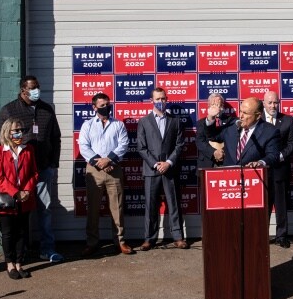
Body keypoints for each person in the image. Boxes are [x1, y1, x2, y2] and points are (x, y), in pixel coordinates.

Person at [0, 75, 63, 262]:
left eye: (38, 87)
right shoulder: (9, 110)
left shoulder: (46, 109)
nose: (36, 91)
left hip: (42, 169)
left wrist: (53, 163)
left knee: (45, 209)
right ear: (23, 90)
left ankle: (47, 249)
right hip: (18, 172)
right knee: (19, 213)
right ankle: (20, 253)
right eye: (32, 88)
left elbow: (56, 137)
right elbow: (0, 141)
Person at [78, 93, 133, 256]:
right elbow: (84, 147)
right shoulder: (87, 125)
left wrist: (109, 160)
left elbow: (123, 145)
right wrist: (100, 163)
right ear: (94, 107)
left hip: (114, 170)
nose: (106, 107)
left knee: (117, 208)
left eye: (107, 104)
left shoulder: (118, 125)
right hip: (94, 172)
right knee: (93, 209)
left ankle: (120, 242)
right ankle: (92, 243)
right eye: (102, 105)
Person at [137, 88, 187, 250]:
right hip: (151, 170)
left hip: (170, 169)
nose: (161, 101)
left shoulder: (175, 121)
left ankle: (178, 237)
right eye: (158, 98)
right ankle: (149, 238)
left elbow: (179, 145)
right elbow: (141, 148)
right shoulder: (144, 122)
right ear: (152, 100)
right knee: (151, 205)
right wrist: (156, 164)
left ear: (167, 99)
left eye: (164, 98)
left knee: (174, 204)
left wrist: (168, 163)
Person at [0, 118, 38, 279]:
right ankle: (9, 263)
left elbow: (34, 173)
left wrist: (26, 190)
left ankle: (19, 263)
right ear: (7, 132)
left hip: (25, 198)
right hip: (7, 199)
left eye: (22, 130)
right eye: (16, 130)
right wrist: (16, 192)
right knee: (8, 233)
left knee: (22, 232)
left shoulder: (29, 149)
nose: (20, 133)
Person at [262, 91, 293, 248]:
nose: (273, 105)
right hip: (262, 171)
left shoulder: (288, 121)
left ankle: (282, 235)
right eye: (270, 102)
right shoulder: (257, 121)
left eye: (275, 102)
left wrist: (280, 156)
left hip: (280, 169)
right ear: (263, 103)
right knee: (262, 206)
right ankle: (262, 235)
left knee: (281, 205)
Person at [196, 93, 236, 169]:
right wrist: (214, 152)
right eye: (213, 105)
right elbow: (200, 142)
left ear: (223, 106)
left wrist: (222, 153)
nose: (216, 108)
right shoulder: (201, 123)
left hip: (226, 162)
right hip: (207, 162)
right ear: (208, 106)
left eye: (219, 105)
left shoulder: (231, 122)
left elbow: (233, 140)